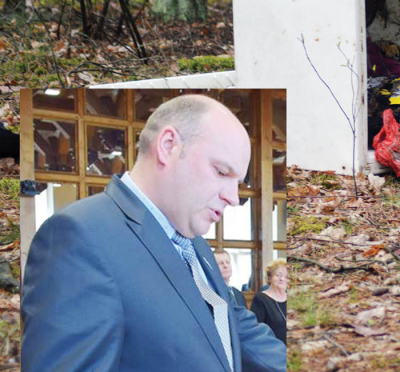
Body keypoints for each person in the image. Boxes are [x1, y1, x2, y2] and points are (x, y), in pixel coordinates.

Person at [22, 94, 286, 372]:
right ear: (168, 146)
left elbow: (229, 325)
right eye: (221, 172)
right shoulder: (77, 237)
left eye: (239, 182)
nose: (234, 197)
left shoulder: (195, 244)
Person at [250, 259, 287, 345]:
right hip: (272, 351)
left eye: (286, 276)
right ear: (270, 278)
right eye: (278, 275)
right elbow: (257, 332)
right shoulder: (260, 299)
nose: (282, 279)